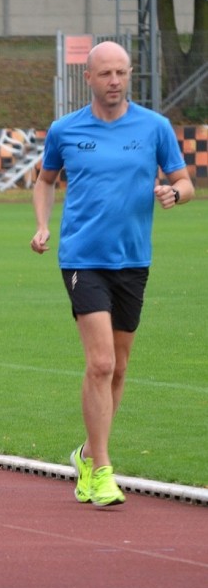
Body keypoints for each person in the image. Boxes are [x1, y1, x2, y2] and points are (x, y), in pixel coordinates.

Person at [30, 41, 194, 507]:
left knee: (119, 368)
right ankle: (101, 470)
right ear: (89, 78)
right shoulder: (65, 130)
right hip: (83, 257)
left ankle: (85, 453)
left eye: (122, 73)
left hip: (133, 259)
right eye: (105, 74)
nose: (115, 81)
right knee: (100, 363)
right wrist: (42, 225)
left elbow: (186, 183)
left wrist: (174, 195)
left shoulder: (154, 127)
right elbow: (44, 181)